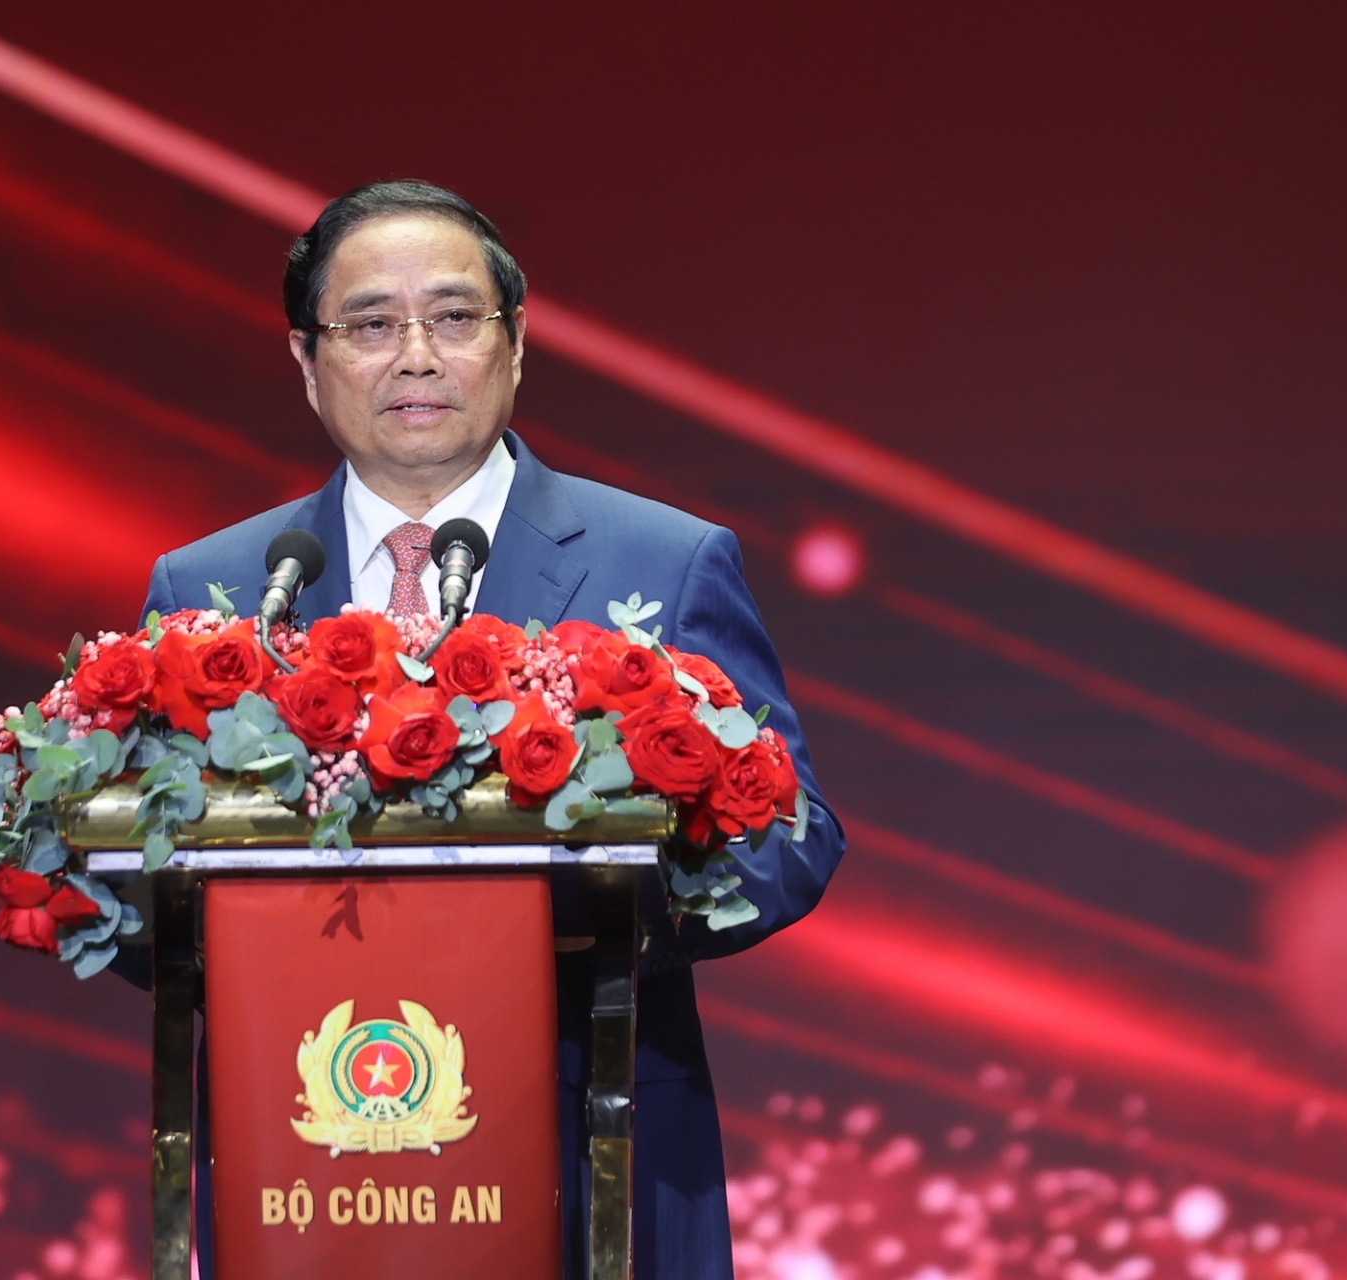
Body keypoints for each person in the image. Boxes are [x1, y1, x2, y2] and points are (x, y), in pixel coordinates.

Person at [138, 180, 845, 1278]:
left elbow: (789, 837)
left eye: (455, 317)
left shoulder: (665, 562)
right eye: (372, 324)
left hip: (595, 1132)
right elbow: (140, 866)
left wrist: (588, 916)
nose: (416, 356)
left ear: (516, 344)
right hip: (310, 1151)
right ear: (307, 361)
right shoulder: (219, 591)